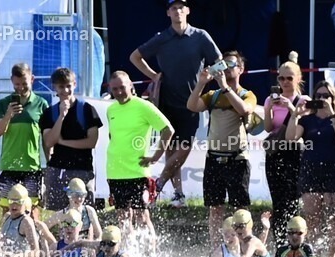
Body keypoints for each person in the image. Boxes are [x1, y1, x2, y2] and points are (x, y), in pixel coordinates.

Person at [130, 0, 221, 207]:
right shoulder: (162, 38)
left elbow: (218, 61)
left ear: (188, 11)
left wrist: (209, 80)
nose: (178, 11)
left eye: (181, 7)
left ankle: (158, 184)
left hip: (191, 103)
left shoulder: (200, 36)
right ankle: (178, 195)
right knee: (172, 150)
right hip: (166, 102)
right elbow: (135, 57)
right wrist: (154, 76)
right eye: (173, 8)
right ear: (168, 13)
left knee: (184, 148)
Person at [187, 50, 257, 246]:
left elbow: (244, 109)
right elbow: (192, 106)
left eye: (231, 65)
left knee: (240, 210)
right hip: (214, 158)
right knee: (215, 209)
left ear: (241, 69)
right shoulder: (213, 95)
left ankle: (246, 248)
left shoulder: (247, 94)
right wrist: (201, 82)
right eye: (223, 65)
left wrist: (226, 87)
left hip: (237, 159)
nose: (226, 69)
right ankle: (216, 250)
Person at [105, 71, 174, 243]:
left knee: (142, 216)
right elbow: (113, 137)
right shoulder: (111, 109)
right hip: (115, 172)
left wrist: (155, 156)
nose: (119, 92)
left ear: (130, 85)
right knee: (123, 219)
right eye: (115, 89)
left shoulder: (143, 106)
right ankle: (130, 256)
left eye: (122, 88)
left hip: (137, 172)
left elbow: (168, 130)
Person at [284, 80, 335, 248]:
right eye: (318, 96)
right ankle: (314, 256)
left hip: (334, 168)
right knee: (312, 218)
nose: (322, 99)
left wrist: (332, 115)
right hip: (311, 168)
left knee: (333, 216)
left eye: (326, 96)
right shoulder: (307, 120)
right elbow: (290, 138)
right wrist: (295, 115)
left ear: (333, 98)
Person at [39, 66, 102, 212]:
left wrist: (63, 142)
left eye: (68, 86)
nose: (66, 91)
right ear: (54, 87)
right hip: (58, 169)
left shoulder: (87, 109)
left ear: (75, 85)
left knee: (84, 213)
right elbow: (49, 141)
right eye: (61, 87)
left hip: (82, 169)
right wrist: (62, 115)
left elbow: (92, 142)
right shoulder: (50, 113)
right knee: (59, 214)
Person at [262, 53, 307, 247]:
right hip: (275, 153)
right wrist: (268, 109)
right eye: (281, 78)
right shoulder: (270, 99)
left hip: (295, 152)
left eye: (289, 78)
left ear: (298, 78)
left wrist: (290, 107)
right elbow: (268, 128)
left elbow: (303, 126)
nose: (285, 82)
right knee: (279, 201)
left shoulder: (303, 99)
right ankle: (280, 244)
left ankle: (297, 242)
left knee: (294, 200)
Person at [0, 63, 48, 218]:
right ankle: (6, 241)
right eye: (17, 84)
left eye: (24, 83)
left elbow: (45, 138)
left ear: (32, 79)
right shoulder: (3, 104)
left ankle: (34, 241)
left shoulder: (41, 104)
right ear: (12, 81)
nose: (21, 88)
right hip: (8, 166)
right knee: (8, 211)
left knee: (33, 211)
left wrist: (49, 162)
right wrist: (8, 115)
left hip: (31, 166)